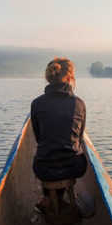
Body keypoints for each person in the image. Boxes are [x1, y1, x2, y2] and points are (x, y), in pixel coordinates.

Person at [30, 57, 87, 212]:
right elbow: (79, 139)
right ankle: (58, 198)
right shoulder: (79, 104)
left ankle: (48, 198)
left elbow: (38, 137)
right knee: (71, 154)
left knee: (46, 155)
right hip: (74, 167)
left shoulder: (37, 103)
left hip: (43, 168)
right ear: (69, 78)